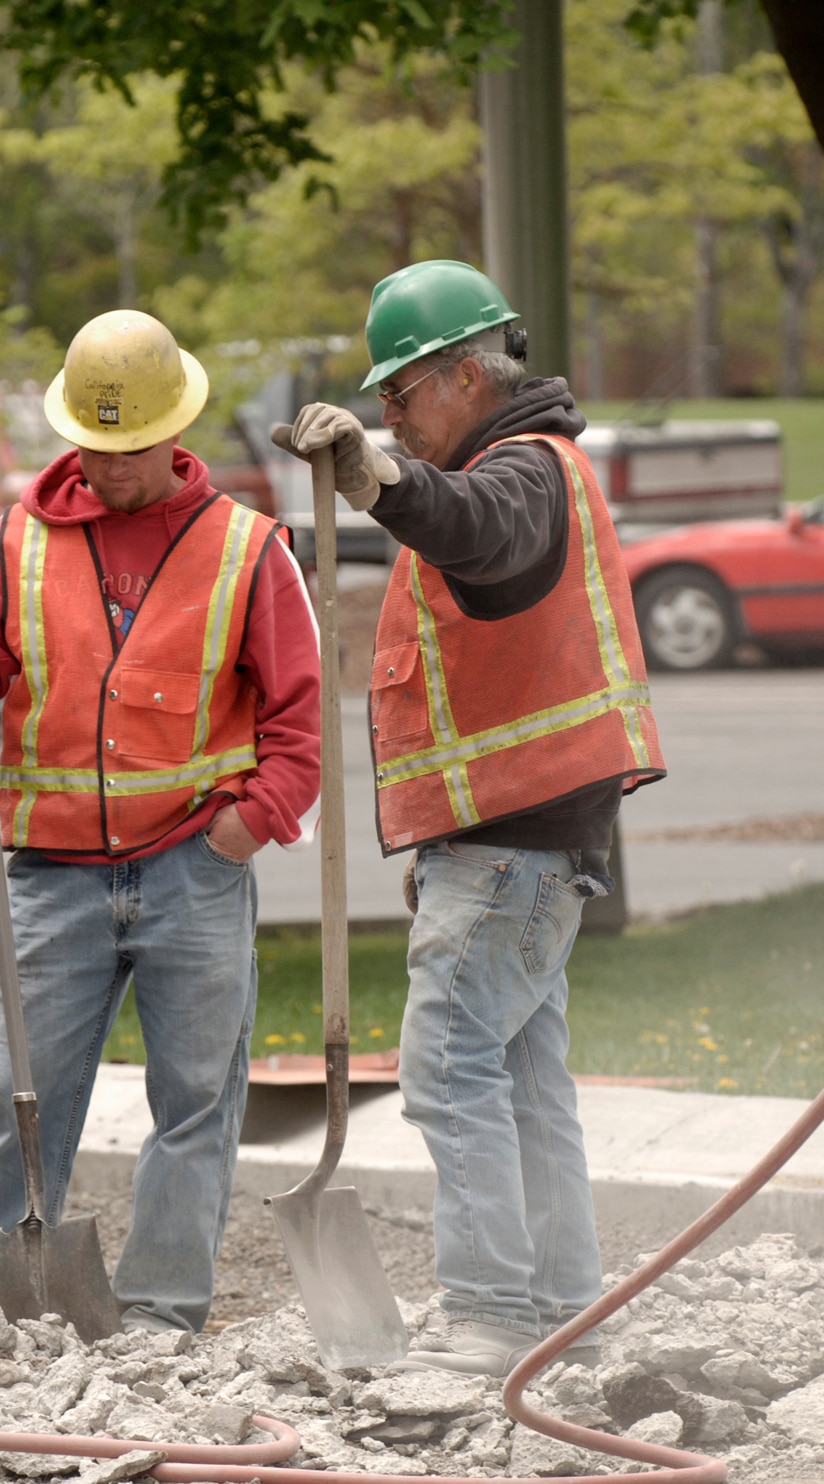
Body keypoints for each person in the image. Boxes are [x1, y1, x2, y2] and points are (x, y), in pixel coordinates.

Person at [280, 259, 666, 1376]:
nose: (387, 412)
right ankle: (559, 1305)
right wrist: (445, 838)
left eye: (396, 393)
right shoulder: (527, 468)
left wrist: (376, 477)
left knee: (448, 1066)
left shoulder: (519, 475)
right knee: (523, 1078)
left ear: (461, 373)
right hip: (510, 846)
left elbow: (478, 531)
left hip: (515, 848)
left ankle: (491, 1310)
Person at [0, 310, 322, 1334]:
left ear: (171, 428)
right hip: (49, 875)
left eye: (130, 446)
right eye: (95, 445)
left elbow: (299, 718)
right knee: (15, 1103)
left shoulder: (244, 548)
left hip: (194, 865)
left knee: (194, 1106)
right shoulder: (12, 541)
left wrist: (248, 822)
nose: (111, 466)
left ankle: (161, 1307)